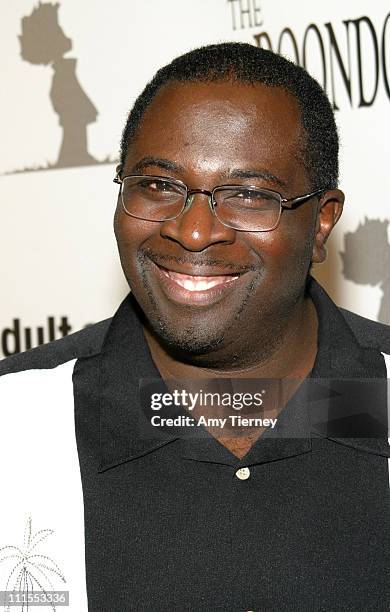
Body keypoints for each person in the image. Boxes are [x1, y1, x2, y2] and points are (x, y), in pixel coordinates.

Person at [0, 43, 389, 611]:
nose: (195, 231)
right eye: (158, 185)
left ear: (322, 221)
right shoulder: (17, 424)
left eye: (250, 195)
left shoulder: (374, 399)